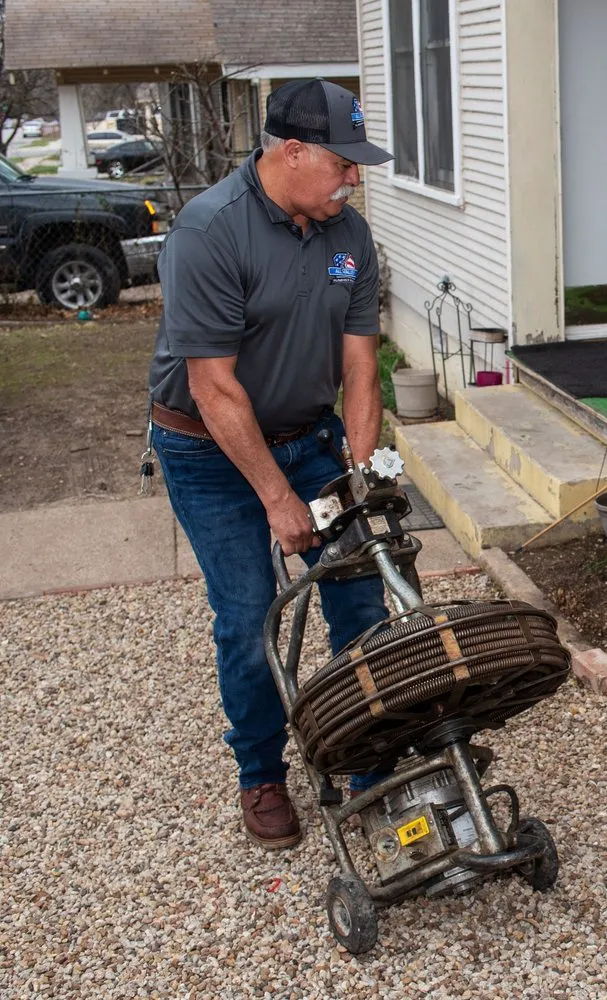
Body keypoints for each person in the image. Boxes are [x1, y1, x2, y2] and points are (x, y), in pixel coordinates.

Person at [147, 79, 393, 850]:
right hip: (207, 450)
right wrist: (277, 499)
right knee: (250, 614)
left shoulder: (348, 237)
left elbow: (359, 367)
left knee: (362, 595)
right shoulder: (209, 232)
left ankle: (365, 759)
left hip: (305, 434)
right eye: (343, 164)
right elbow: (212, 388)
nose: (354, 178)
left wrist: (358, 474)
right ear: (292, 151)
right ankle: (260, 773)